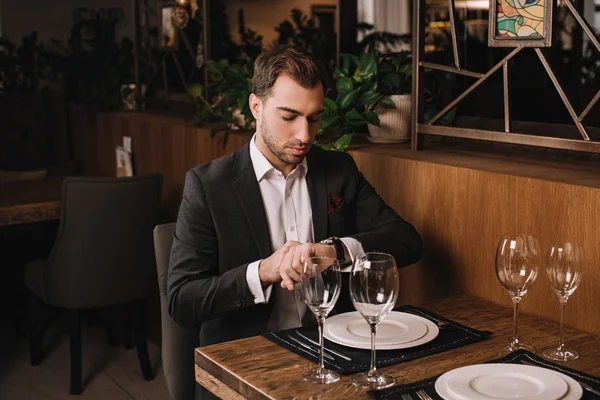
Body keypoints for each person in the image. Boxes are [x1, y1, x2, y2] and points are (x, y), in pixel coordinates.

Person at [167, 45, 422, 396]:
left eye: (314, 118)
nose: (304, 135)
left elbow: (406, 240)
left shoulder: (338, 171)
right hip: (246, 364)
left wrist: (337, 251)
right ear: (256, 106)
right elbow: (182, 301)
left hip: (334, 359)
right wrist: (263, 272)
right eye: (289, 117)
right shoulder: (208, 185)